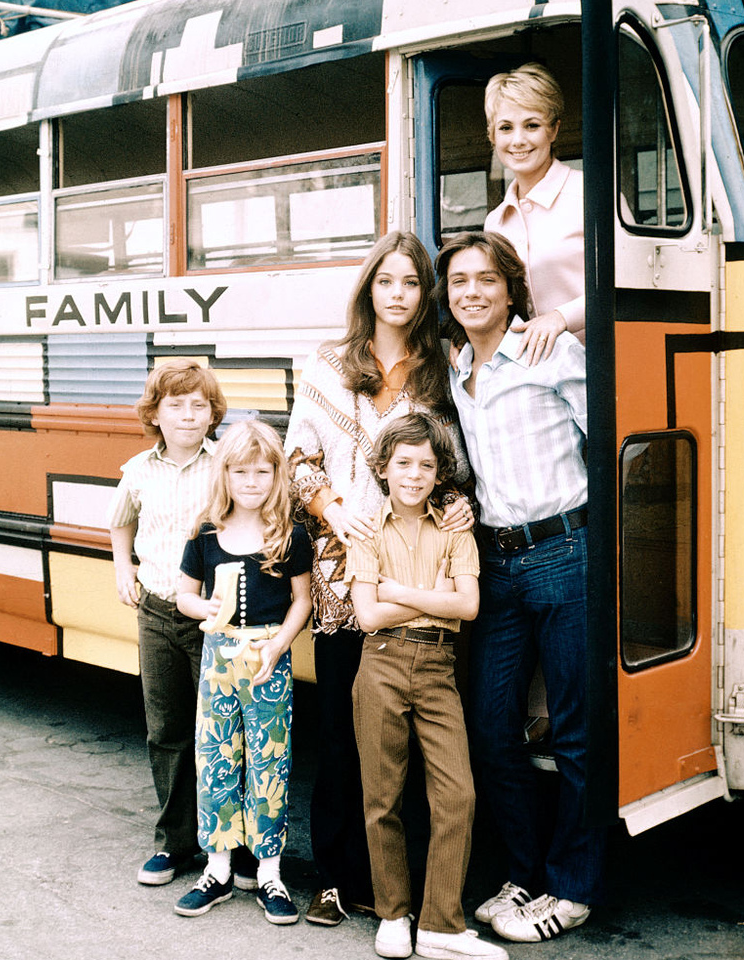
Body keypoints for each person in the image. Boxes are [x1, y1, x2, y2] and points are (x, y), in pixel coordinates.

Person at [285, 231, 474, 926]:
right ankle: (337, 877)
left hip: (418, 570)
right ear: (369, 288)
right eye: (386, 281)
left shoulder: (439, 368)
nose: (398, 294)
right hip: (341, 572)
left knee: (413, 737)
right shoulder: (329, 363)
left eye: (411, 283)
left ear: (425, 295)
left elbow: (453, 463)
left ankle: (407, 883)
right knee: (341, 729)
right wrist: (333, 508)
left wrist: (457, 501)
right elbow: (298, 458)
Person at [436, 231, 606, 942]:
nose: (471, 292)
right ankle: (526, 873)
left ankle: (573, 886)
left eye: (486, 280)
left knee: (573, 732)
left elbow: (612, 431)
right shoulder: (453, 373)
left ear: (511, 290)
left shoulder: (551, 352)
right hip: (496, 565)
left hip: (564, 550)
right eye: (458, 282)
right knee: (493, 729)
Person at [347, 413, 506, 960]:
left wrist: (397, 589)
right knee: (382, 795)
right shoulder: (367, 528)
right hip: (381, 665)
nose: (414, 475)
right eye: (404, 463)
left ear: (440, 474)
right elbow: (367, 617)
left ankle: (441, 923)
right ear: (384, 469)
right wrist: (427, 594)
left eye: (427, 465)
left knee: (456, 793)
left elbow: (468, 606)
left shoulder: (456, 530)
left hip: (438, 669)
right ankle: (393, 915)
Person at [174, 419, 312, 921]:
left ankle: (270, 872)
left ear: (276, 476)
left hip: (268, 658)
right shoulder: (207, 534)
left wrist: (278, 644)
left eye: (261, 472)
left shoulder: (288, 535)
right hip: (219, 656)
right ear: (224, 475)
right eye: (240, 472)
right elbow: (184, 594)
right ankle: (218, 869)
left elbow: (302, 601)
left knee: (269, 762)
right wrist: (205, 610)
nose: (251, 482)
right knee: (215, 758)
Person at [109, 359, 239, 886]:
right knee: (167, 731)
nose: (188, 416)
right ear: (155, 414)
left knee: (227, 732)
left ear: (212, 415)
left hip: (216, 615)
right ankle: (174, 844)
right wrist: (124, 568)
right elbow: (121, 524)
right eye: (175, 406)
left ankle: (238, 846)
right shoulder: (138, 470)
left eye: (199, 406)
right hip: (158, 614)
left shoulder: (226, 466)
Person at [483, 63, 585, 365]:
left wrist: (560, 317)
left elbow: (627, 285)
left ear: (553, 129)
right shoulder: (495, 222)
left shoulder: (590, 195)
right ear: (493, 136)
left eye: (532, 125)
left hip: (597, 367)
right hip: (529, 374)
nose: (518, 141)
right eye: (505, 128)